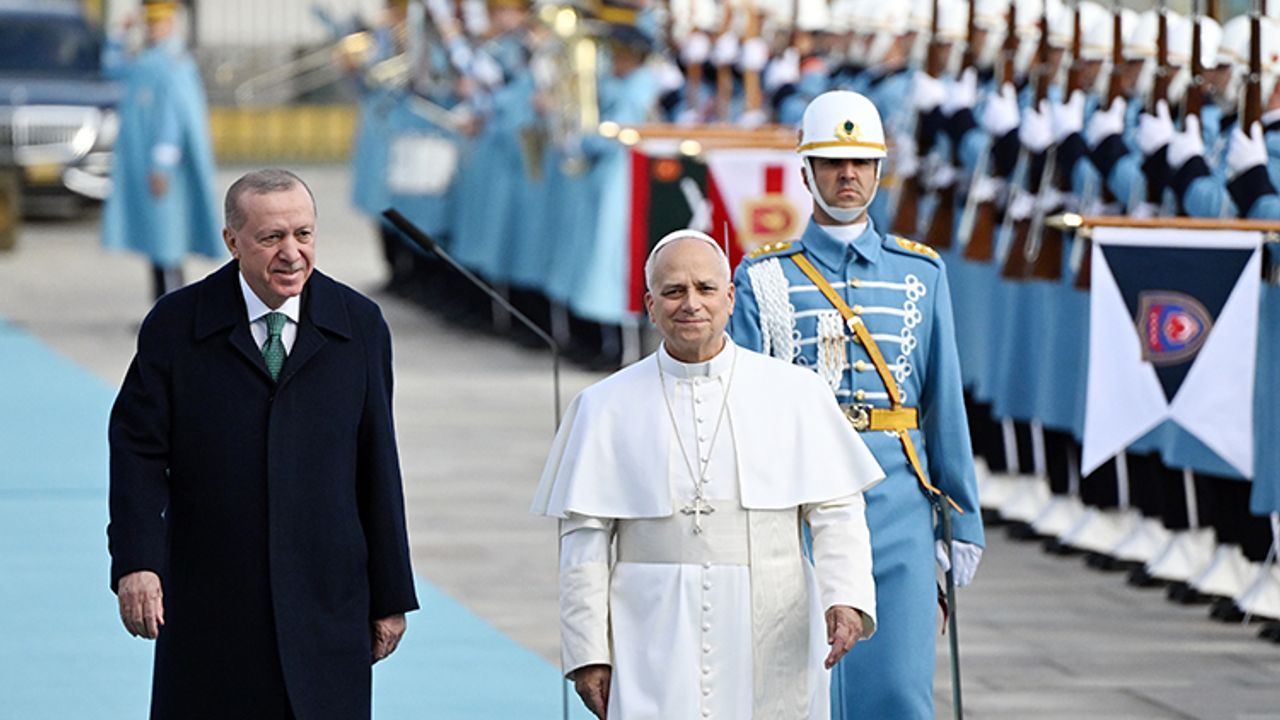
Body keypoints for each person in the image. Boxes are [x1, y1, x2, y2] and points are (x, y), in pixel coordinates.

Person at [532, 229, 884, 719]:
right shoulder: (603, 405)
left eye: (705, 288)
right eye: (674, 291)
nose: (691, 303)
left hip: (772, 616)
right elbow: (583, 545)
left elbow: (837, 512)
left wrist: (845, 597)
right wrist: (588, 652)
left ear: (730, 298)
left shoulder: (796, 393)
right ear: (650, 305)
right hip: (649, 628)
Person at [108, 169, 419, 719]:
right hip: (212, 598)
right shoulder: (177, 325)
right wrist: (138, 562)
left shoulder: (359, 325)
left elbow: (378, 463)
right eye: (271, 238)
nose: (292, 253)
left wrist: (390, 595)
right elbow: (137, 452)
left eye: (304, 234)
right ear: (232, 242)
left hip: (327, 598)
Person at [729, 90, 985, 719]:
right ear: (806, 171)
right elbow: (741, 410)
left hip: (898, 500)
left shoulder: (921, 273)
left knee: (898, 689)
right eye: (832, 162)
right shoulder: (762, 276)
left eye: (862, 162)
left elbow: (943, 404)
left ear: (879, 170)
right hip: (796, 499)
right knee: (801, 688)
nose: (848, 174)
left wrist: (961, 519)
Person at [101, 0, 221, 301]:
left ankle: (172, 313)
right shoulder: (147, 60)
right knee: (157, 243)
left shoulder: (174, 64)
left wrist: (162, 165)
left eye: (158, 23)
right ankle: (160, 310)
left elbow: (174, 119)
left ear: (170, 24)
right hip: (145, 163)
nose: (152, 29)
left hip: (164, 171)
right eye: (149, 23)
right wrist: (118, 35)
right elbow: (112, 68)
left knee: (168, 244)